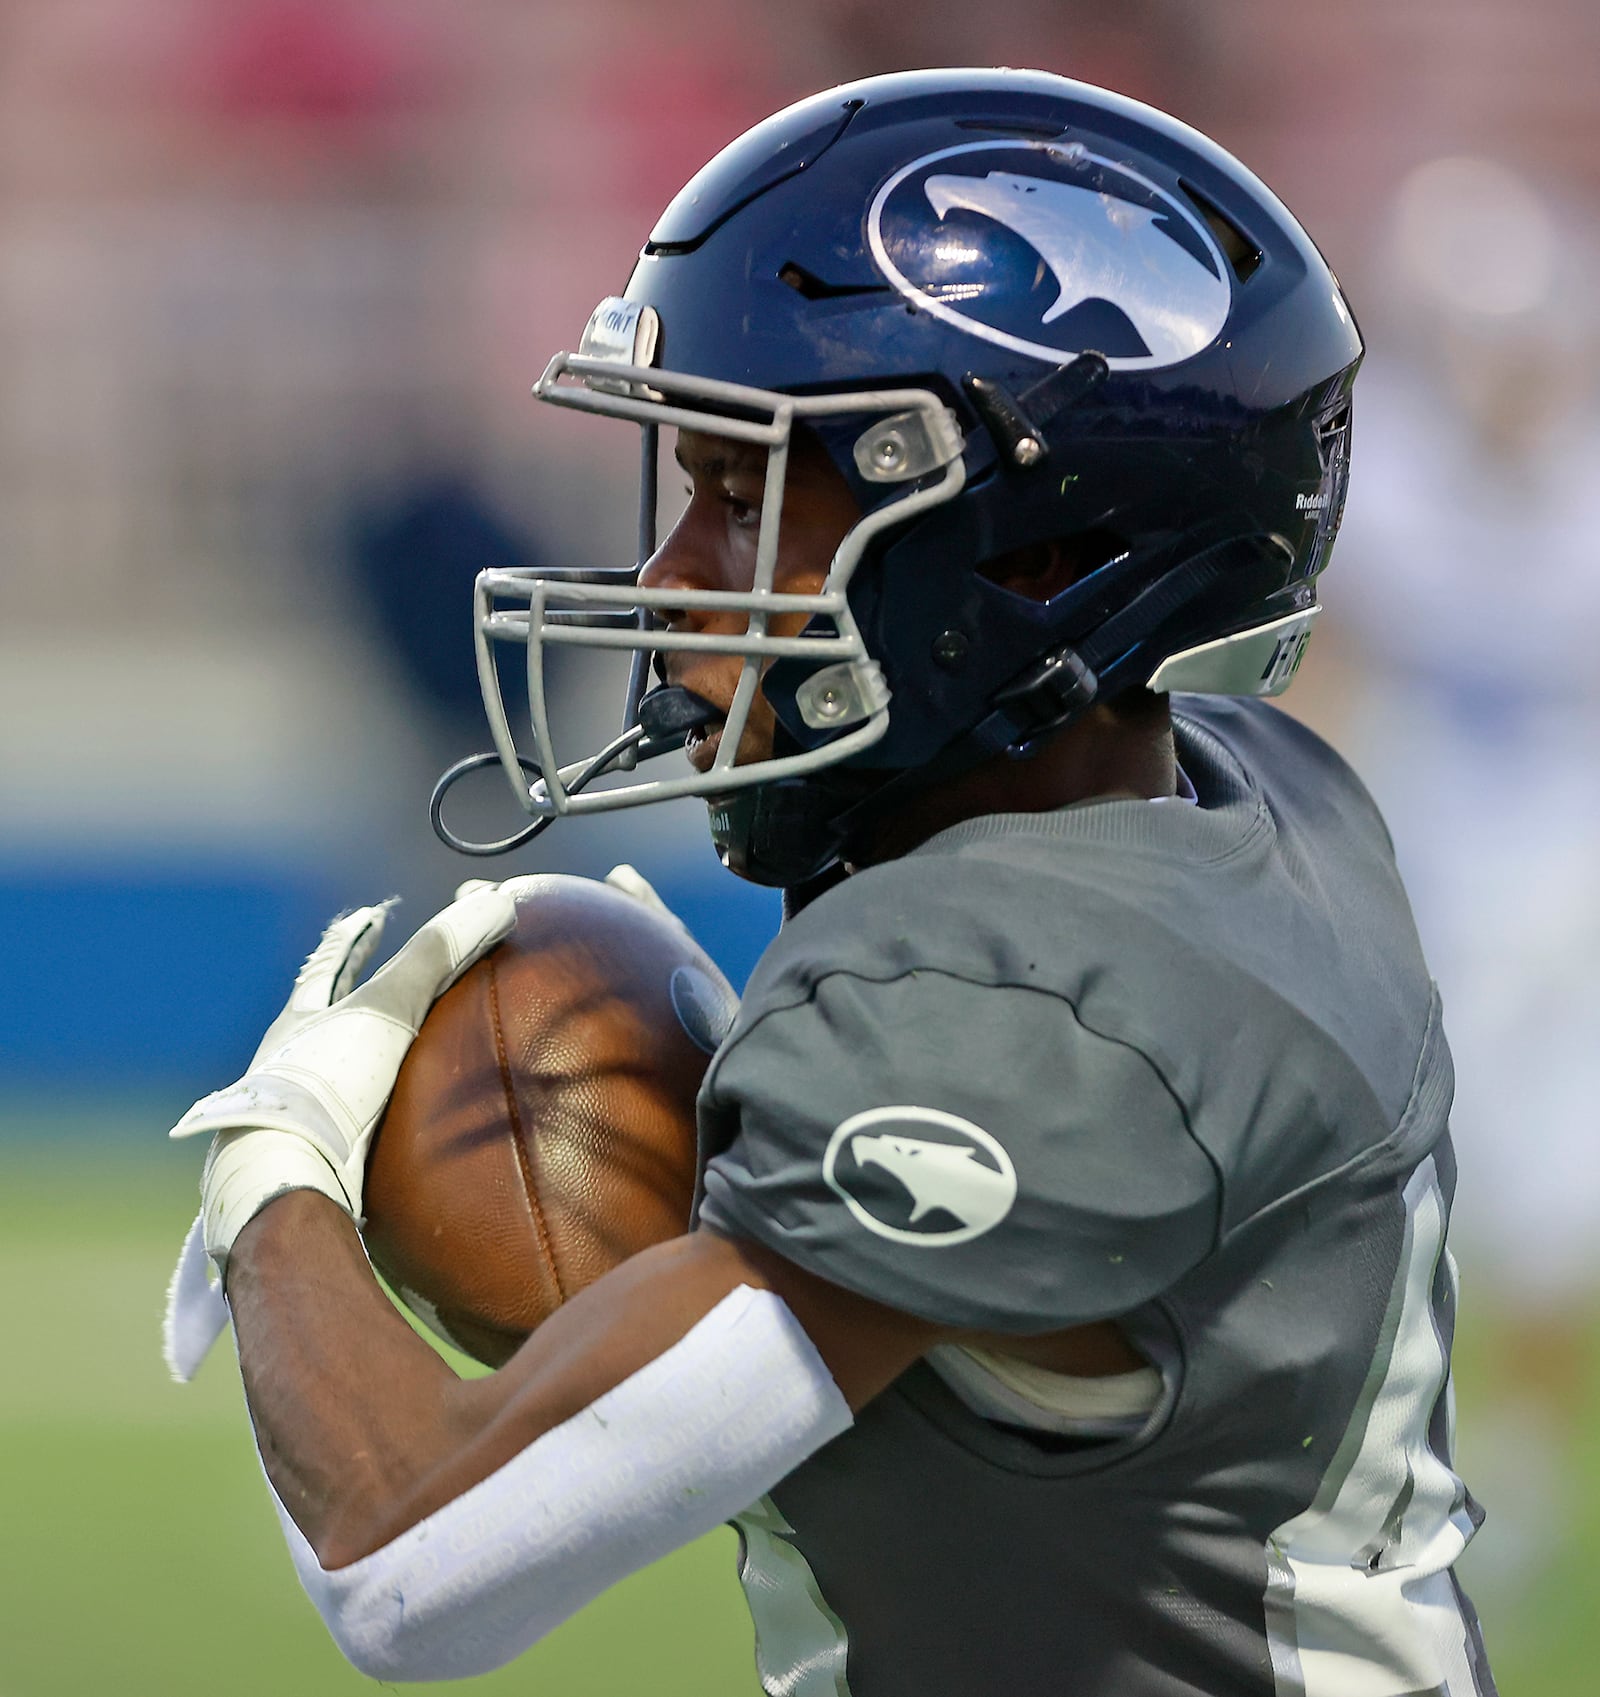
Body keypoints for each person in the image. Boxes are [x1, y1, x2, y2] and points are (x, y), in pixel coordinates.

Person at [165, 69, 1499, 1696]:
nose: (669, 586)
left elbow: (408, 1565)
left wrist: (272, 1167)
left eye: (743, 506)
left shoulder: (1017, 1020)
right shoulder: (1251, 790)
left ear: (1021, 565)